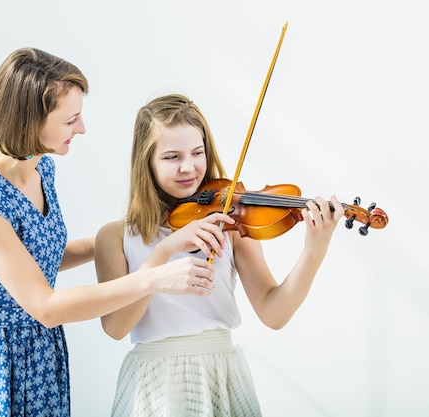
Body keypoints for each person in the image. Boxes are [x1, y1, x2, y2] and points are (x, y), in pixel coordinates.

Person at [0, 50, 219, 417]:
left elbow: (35, 258)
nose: (82, 128)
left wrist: (114, 239)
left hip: (39, 354)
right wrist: (152, 277)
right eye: (71, 119)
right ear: (29, 122)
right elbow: (44, 306)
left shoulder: (39, 168)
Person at [95, 93, 345, 417]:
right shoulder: (114, 236)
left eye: (198, 152)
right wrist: (164, 250)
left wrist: (315, 249)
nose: (189, 167)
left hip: (221, 373)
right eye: (172, 156)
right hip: (154, 381)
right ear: (147, 162)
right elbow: (115, 328)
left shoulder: (229, 223)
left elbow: (274, 314)